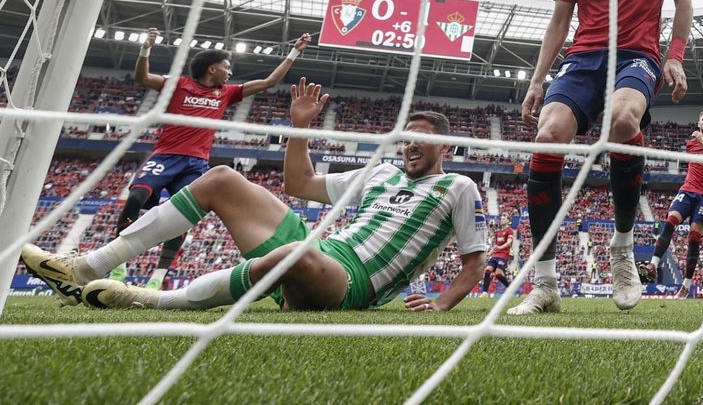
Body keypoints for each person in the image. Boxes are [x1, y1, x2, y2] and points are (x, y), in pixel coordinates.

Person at [23, 79, 488, 312]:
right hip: (323, 249)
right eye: (406, 138)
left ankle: (150, 300)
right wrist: (300, 128)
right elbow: (299, 186)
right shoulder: (380, 172)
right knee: (221, 178)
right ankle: (83, 269)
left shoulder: (459, 187)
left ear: (444, 146)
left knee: (299, 251)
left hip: (354, 284)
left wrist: (443, 303)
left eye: (421, 139)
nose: (410, 145)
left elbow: (474, 261)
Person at [514, 0, 692, 316]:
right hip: (584, 59)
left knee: (623, 118)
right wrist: (537, 80)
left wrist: (674, 56)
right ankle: (546, 283)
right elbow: (559, 21)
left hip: (637, 55)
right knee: (548, 134)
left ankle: (622, 248)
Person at [119, 27, 305, 287]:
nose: (230, 72)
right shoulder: (179, 84)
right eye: (226, 67)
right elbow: (142, 77)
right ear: (211, 69)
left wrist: (295, 51)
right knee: (136, 198)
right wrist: (145, 48)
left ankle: (157, 278)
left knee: (180, 218)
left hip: (196, 165)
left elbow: (269, 82)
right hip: (166, 156)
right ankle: (118, 266)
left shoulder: (226, 93)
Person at [645, 108, 703, 294]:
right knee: (670, 221)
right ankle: (652, 264)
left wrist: (701, 143)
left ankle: (686, 286)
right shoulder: (690, 144)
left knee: (694, 237)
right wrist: (697, 142)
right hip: (687, 190)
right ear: (699, 123)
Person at [482, 216, 518, 294]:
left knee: (498, 274)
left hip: (504, 255)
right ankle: (484, 292)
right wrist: (489, 253)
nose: (501, 220)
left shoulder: (510, 231)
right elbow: (495, 246)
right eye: (501, 219)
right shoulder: (498, 232)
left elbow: (508, 243)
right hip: (495, 255)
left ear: (508, 221)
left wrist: (499, 247)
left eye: (503, 219)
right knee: (487, 270)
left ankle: (510, 288)